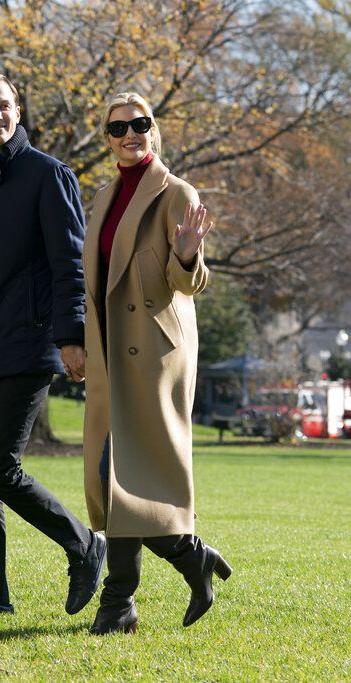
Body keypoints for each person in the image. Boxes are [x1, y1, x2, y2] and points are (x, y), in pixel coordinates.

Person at [0, 73, 106, 618]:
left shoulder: (48, 174)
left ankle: (84, 545)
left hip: (29, 346)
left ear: (18, 110)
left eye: (4, 106)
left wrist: (72, 337)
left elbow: (70, 263)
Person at [81, 92, 232, 635]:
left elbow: (189, 284)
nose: (130, 135)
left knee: (124, 475)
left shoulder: (176, 193)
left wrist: (188, 252)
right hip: (109, 351)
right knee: (109, 480)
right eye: (118, 127)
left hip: (154, 354)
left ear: (154, 130)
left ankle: (118, 602)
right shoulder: (100, 197)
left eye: (140, 124)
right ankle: (192, 560)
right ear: (106, 137)